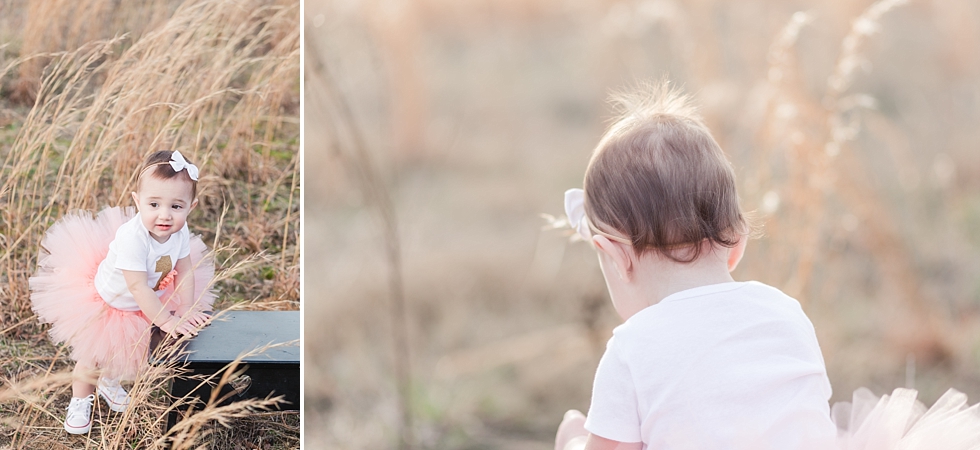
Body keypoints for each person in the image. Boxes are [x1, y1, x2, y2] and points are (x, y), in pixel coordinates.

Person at [553, 81, 838, 450]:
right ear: (736, 243)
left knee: (573, 433)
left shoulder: (632, 349)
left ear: (617, 256)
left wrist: (571, 442)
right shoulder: (787, 314)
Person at [30, 150, 215, 435]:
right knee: (93, 354)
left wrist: (186, 309)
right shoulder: (133, 239)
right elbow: (137, 286)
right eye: (154, 204)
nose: (164, 215)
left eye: (176, 206)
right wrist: (166, 320)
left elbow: (186, 269)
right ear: (136, 201)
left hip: (149, 298)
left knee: (127, 348)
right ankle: (80, 399)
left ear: (191, 206)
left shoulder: (179, 232)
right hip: (110, 301)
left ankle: (110, 381)